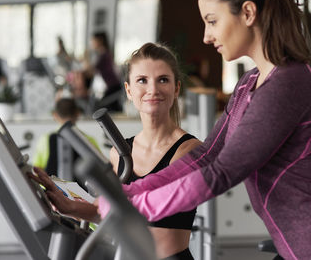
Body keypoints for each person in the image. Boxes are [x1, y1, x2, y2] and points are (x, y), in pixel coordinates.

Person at [95, 0, 311, 259]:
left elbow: (221, 173)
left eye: (212, 21)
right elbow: (208, 154)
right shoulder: (250, 83)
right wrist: (133, 191)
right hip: (300, 250)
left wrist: (137, 206)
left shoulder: (289, 83)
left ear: (248, 13)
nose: (207, 36)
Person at [31, 43, 202, 260]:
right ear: (129, 91)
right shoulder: (119, 153)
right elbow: (111, 215)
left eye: (163, 80)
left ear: (176, 88)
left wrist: (99, 204)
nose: (153, 89)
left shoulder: (189, 150)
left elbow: (140, 209)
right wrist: (69, 207)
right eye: (142, 80)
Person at [33, 97, 100, 181]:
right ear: (78, 114)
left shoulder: (45, 139)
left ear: (55, 115)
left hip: (51, 191)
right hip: (82, 193)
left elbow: (37, 170)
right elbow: (99, 170)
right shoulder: (89, 140)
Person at [84, 31, 123, 112]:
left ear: (100, 40)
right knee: (110, 107)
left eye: (93, 41)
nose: (92, 43)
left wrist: (86, 56)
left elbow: (90, 70)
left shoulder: (103, 54)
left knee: (103, 106)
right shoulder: (103, 53)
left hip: (113, 87)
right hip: (112, 86)